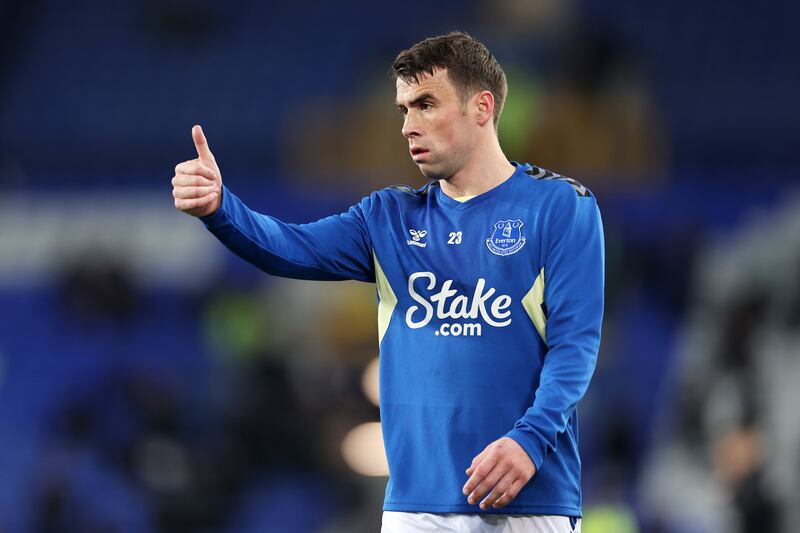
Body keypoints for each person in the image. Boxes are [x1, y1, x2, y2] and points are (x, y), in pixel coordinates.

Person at [171, 31, 603, 533]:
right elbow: (288, 247)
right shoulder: (388, 217)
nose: (407, 126)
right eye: (403, 110)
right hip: (414, 508)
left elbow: (575, 346)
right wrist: (221, 208)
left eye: (426, 105)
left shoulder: (561, 206)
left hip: (530, 499)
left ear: (482, 107)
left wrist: (530, 440)